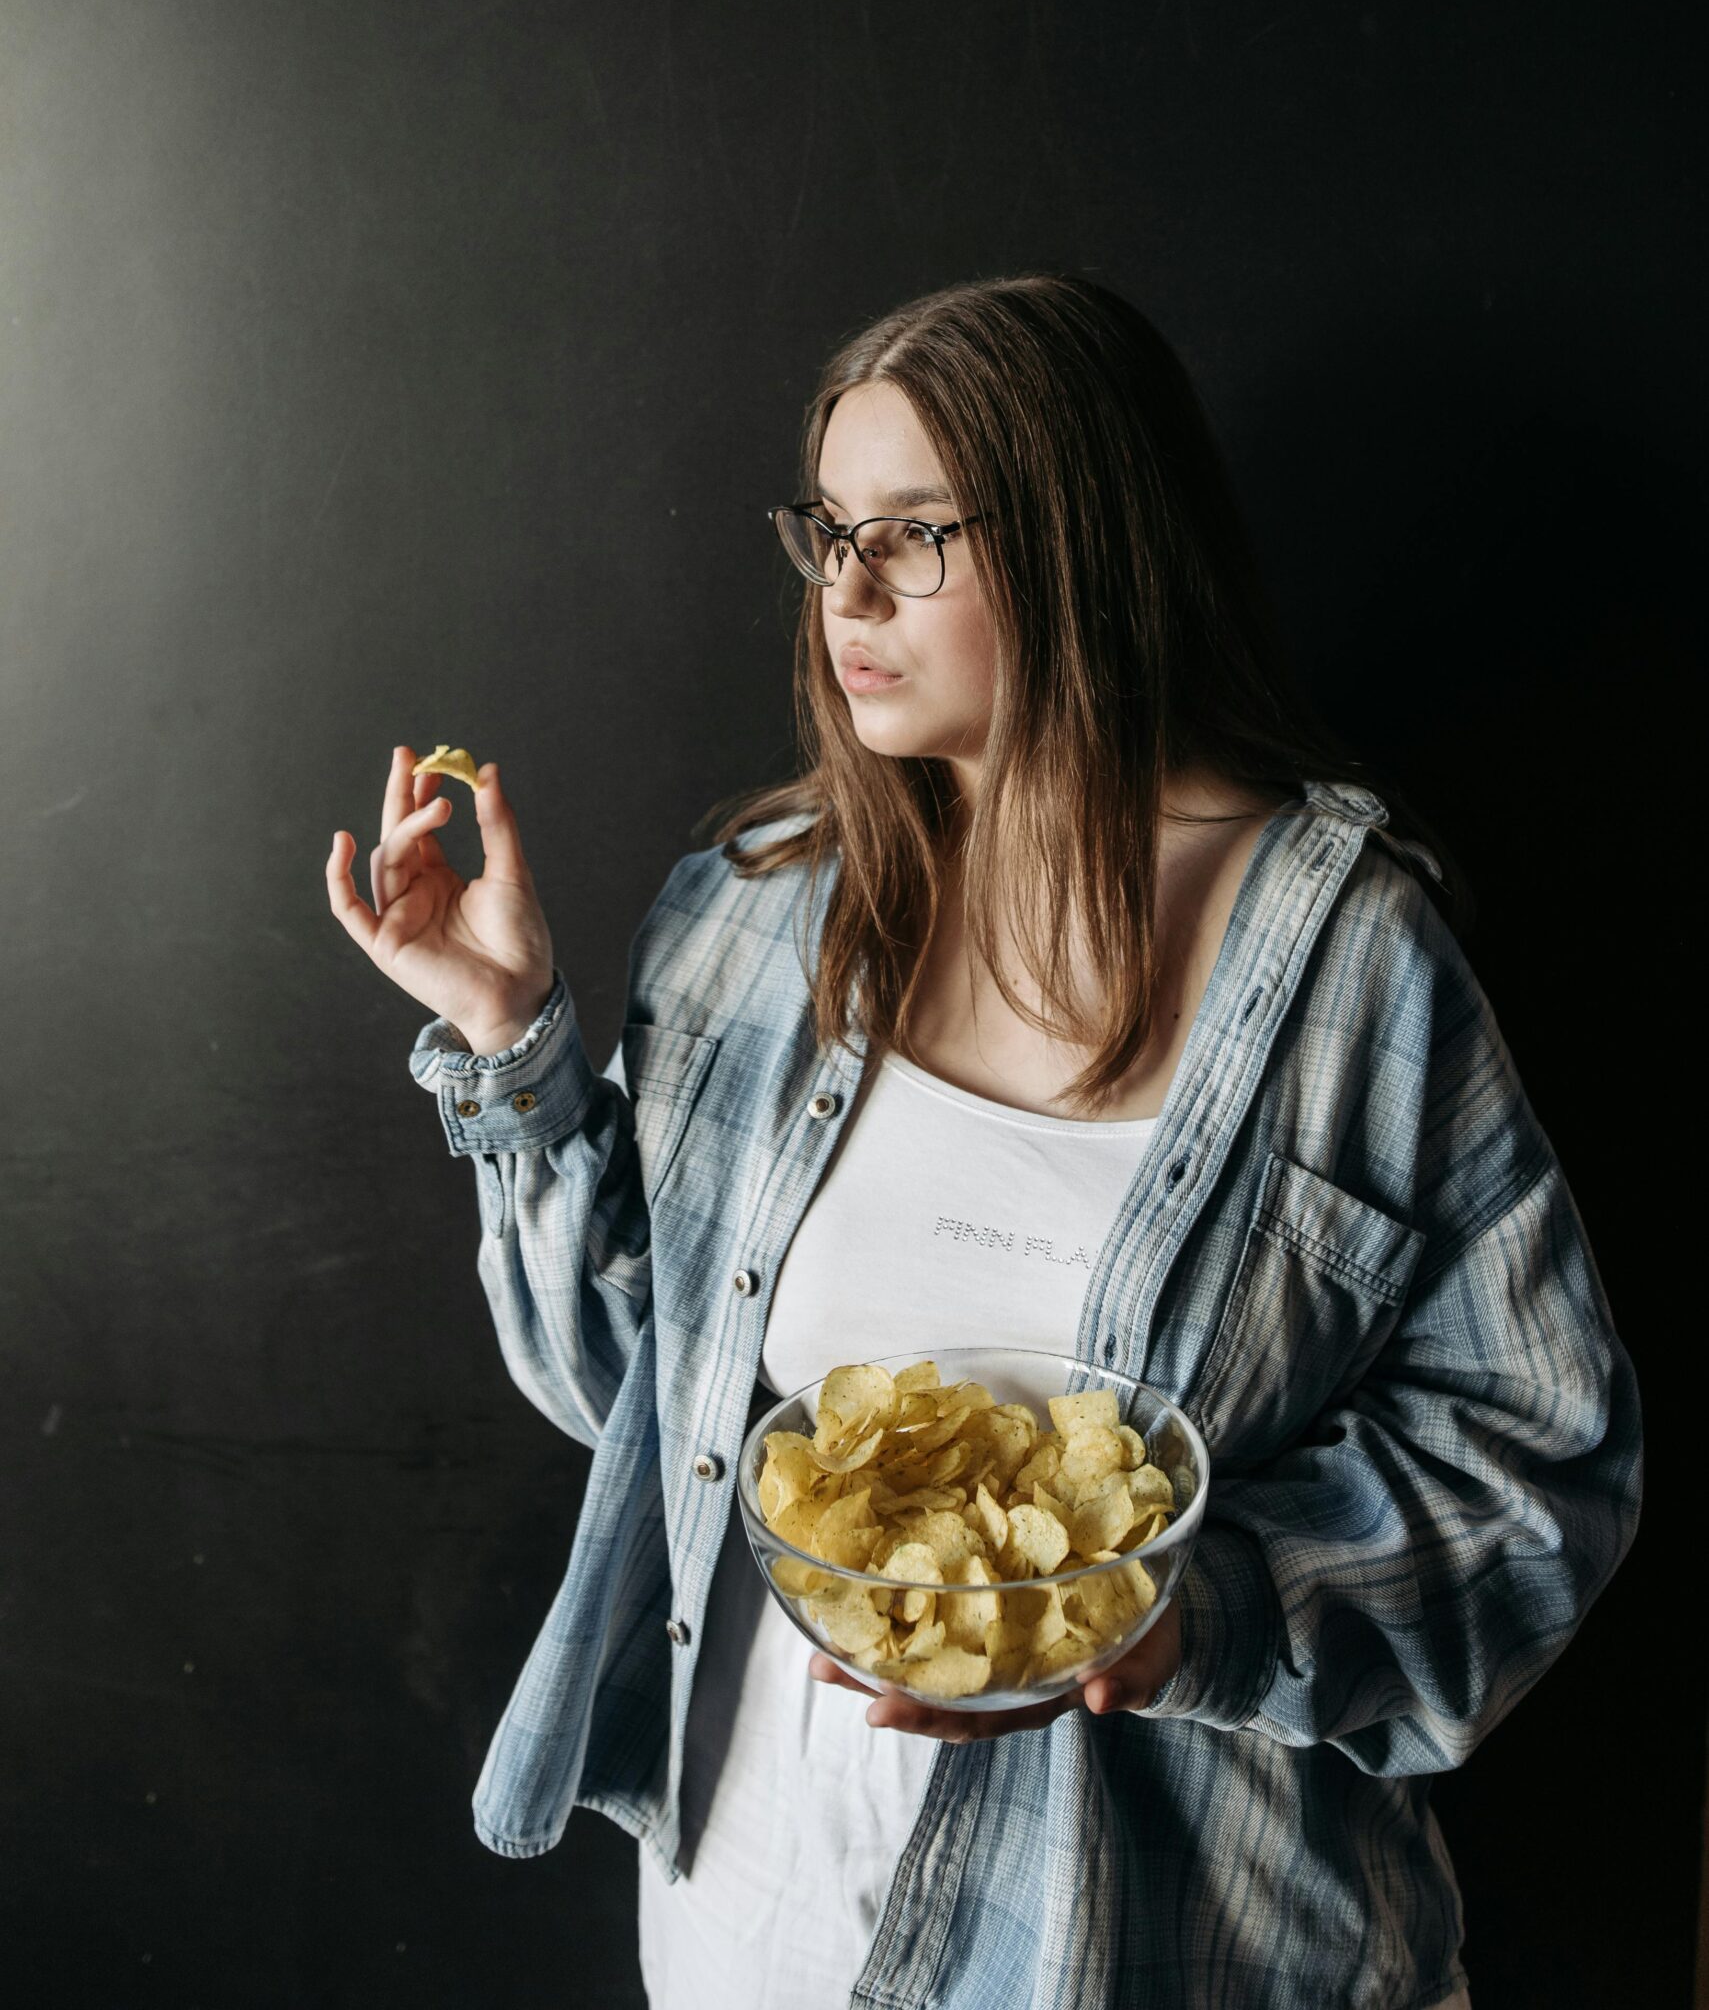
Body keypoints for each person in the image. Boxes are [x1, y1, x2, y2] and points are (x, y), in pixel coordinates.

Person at [325, 273, 1642, 2010]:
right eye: (827, 533)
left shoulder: (1346, 965)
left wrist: (1185, 1617)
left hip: (1157, 1954)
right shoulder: (754, 908)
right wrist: (511, 1047)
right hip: (753, 1930)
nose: (846, 597)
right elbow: (624, 1400)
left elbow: (1533, 1467)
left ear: (1087, 546)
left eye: (916, 537)